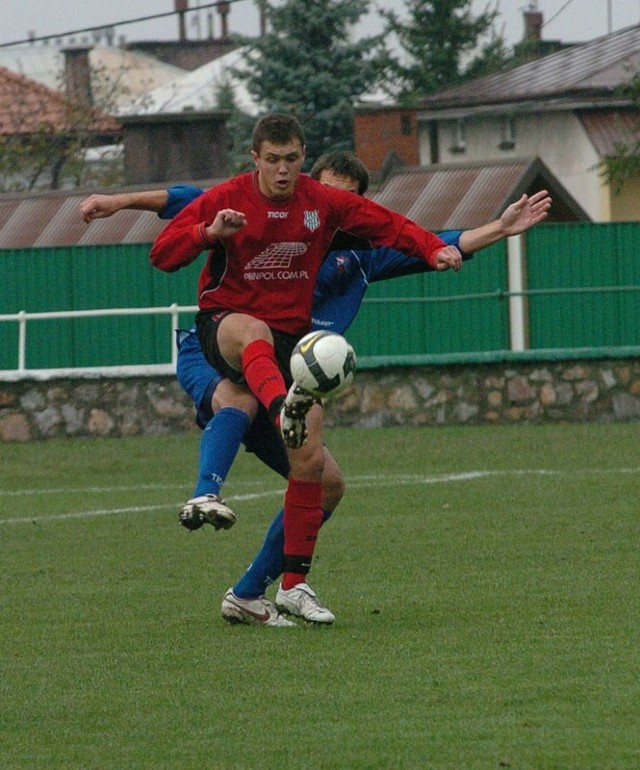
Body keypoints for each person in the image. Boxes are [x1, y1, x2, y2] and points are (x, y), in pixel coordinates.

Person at [80, 151, 552, 627]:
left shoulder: (359, 254)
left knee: (327, 484)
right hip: (216, 349)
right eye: (327, 190)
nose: (330, 202)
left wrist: (499, 228)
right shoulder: (266, 209)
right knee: (239, 396)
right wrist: (118, 201)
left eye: (346, 198)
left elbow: (441, 243)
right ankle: (206, 493)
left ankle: (251, 593)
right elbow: (183, 200)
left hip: (286, 371)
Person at [146, 113, 465, 626]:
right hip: (226, 325)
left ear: (302, 157)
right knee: (254, 335)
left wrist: (432, 246)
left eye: (291, 160)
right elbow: (161, 255)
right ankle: (277, 412)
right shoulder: (228, 197)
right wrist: (208, 232)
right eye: (272, 160)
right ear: (255, 159)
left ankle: (270, 589)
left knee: (323, 476)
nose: (282, 170)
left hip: (290, 346)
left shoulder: (322, 202)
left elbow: (388, 224)